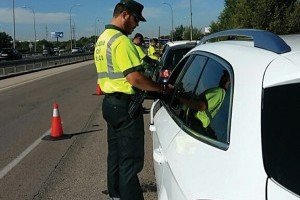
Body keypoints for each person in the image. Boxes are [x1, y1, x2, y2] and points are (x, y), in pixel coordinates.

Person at [93, 1, 171, 199]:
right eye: (136, 19)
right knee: (130, 162)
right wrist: (162, 88)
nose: (137, 25)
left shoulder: (102, 39)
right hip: (126, 106)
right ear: (125, 14)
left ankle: (116, 195)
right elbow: (134, 78)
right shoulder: (120, 41)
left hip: (110, 104)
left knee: (115, 157)